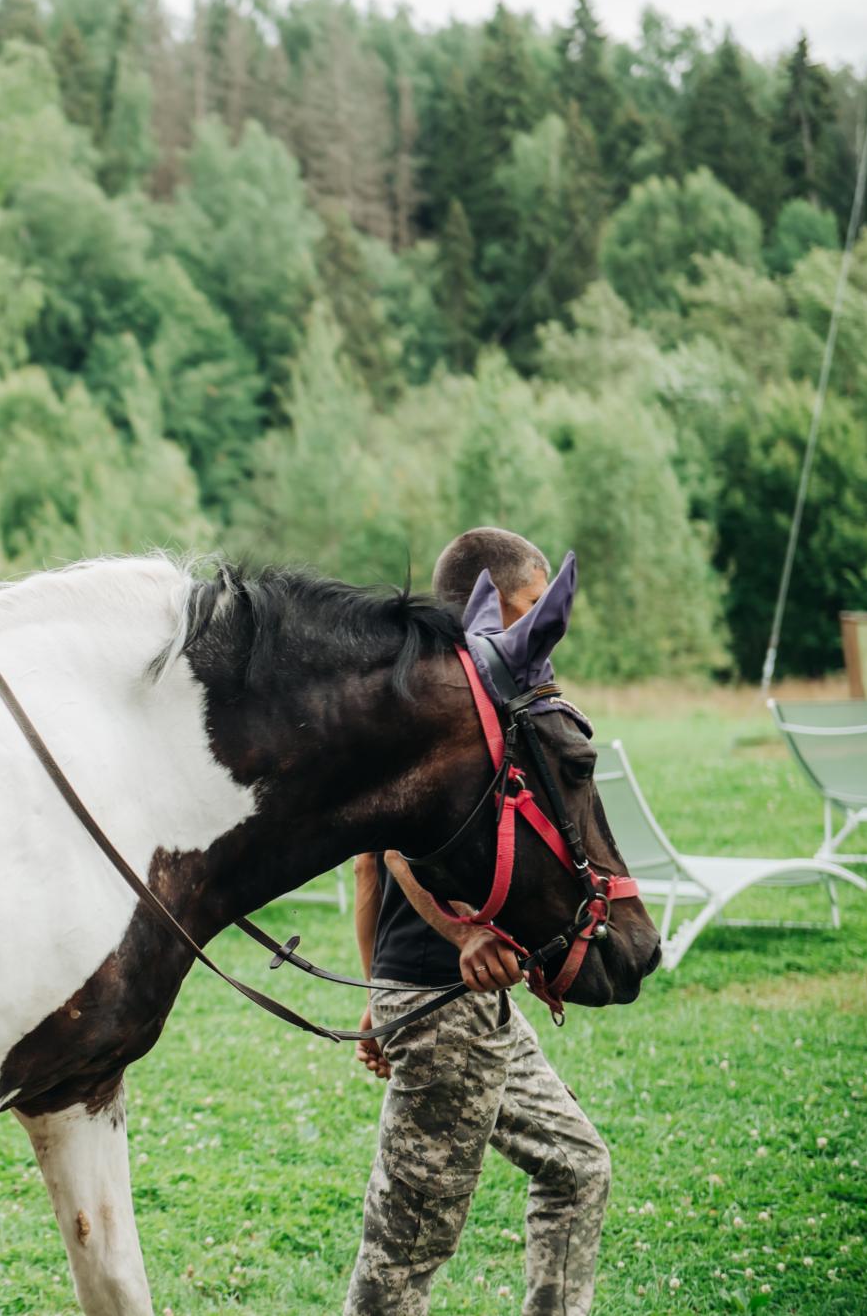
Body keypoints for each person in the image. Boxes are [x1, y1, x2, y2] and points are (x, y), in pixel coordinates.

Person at [345, 527, 611, 1316]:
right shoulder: (439, 705)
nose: (536, 632)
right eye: (527, 605)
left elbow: (365, 867)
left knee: (577, 1164)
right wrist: (454, 939)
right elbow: (387, 850)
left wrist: (375, 991)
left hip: (452, 998)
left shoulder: (479, 705)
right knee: (402, 1258)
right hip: (441, 999)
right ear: (491, 597)